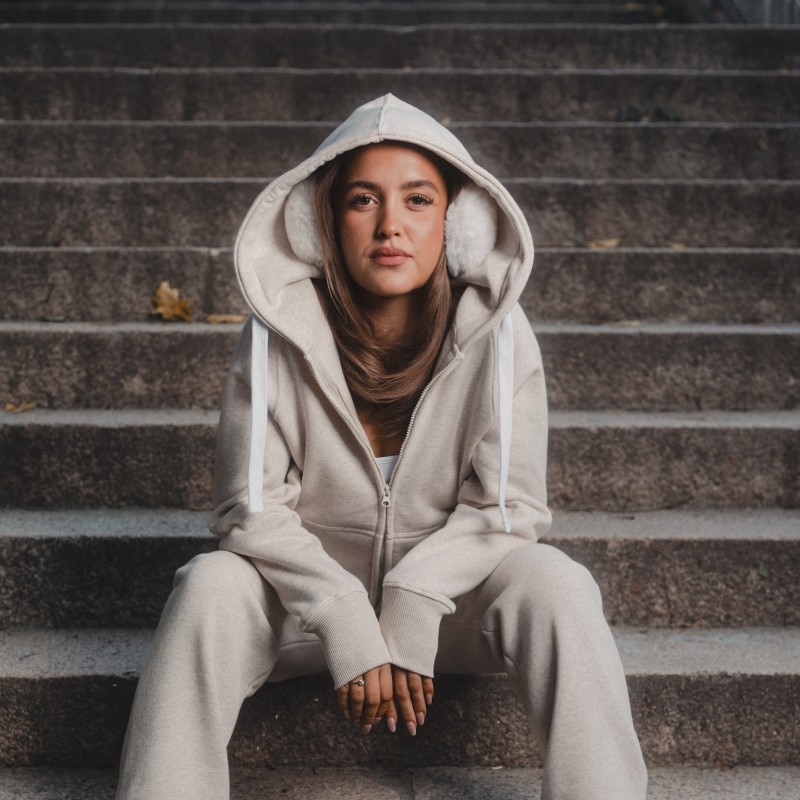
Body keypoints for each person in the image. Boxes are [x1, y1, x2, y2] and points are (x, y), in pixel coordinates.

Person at [115, 94, 647, 800]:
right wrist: (343, 616)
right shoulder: (278, 333)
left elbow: (510, 508)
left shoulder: (501, 336)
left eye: (418, 200)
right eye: (363, 199)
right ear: (324, 223)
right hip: (303, 612)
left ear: (457, 223)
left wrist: (416, 596)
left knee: (558, 583)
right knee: (210, 584)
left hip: (449, 611)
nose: (391, 225)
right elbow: (247, 511)